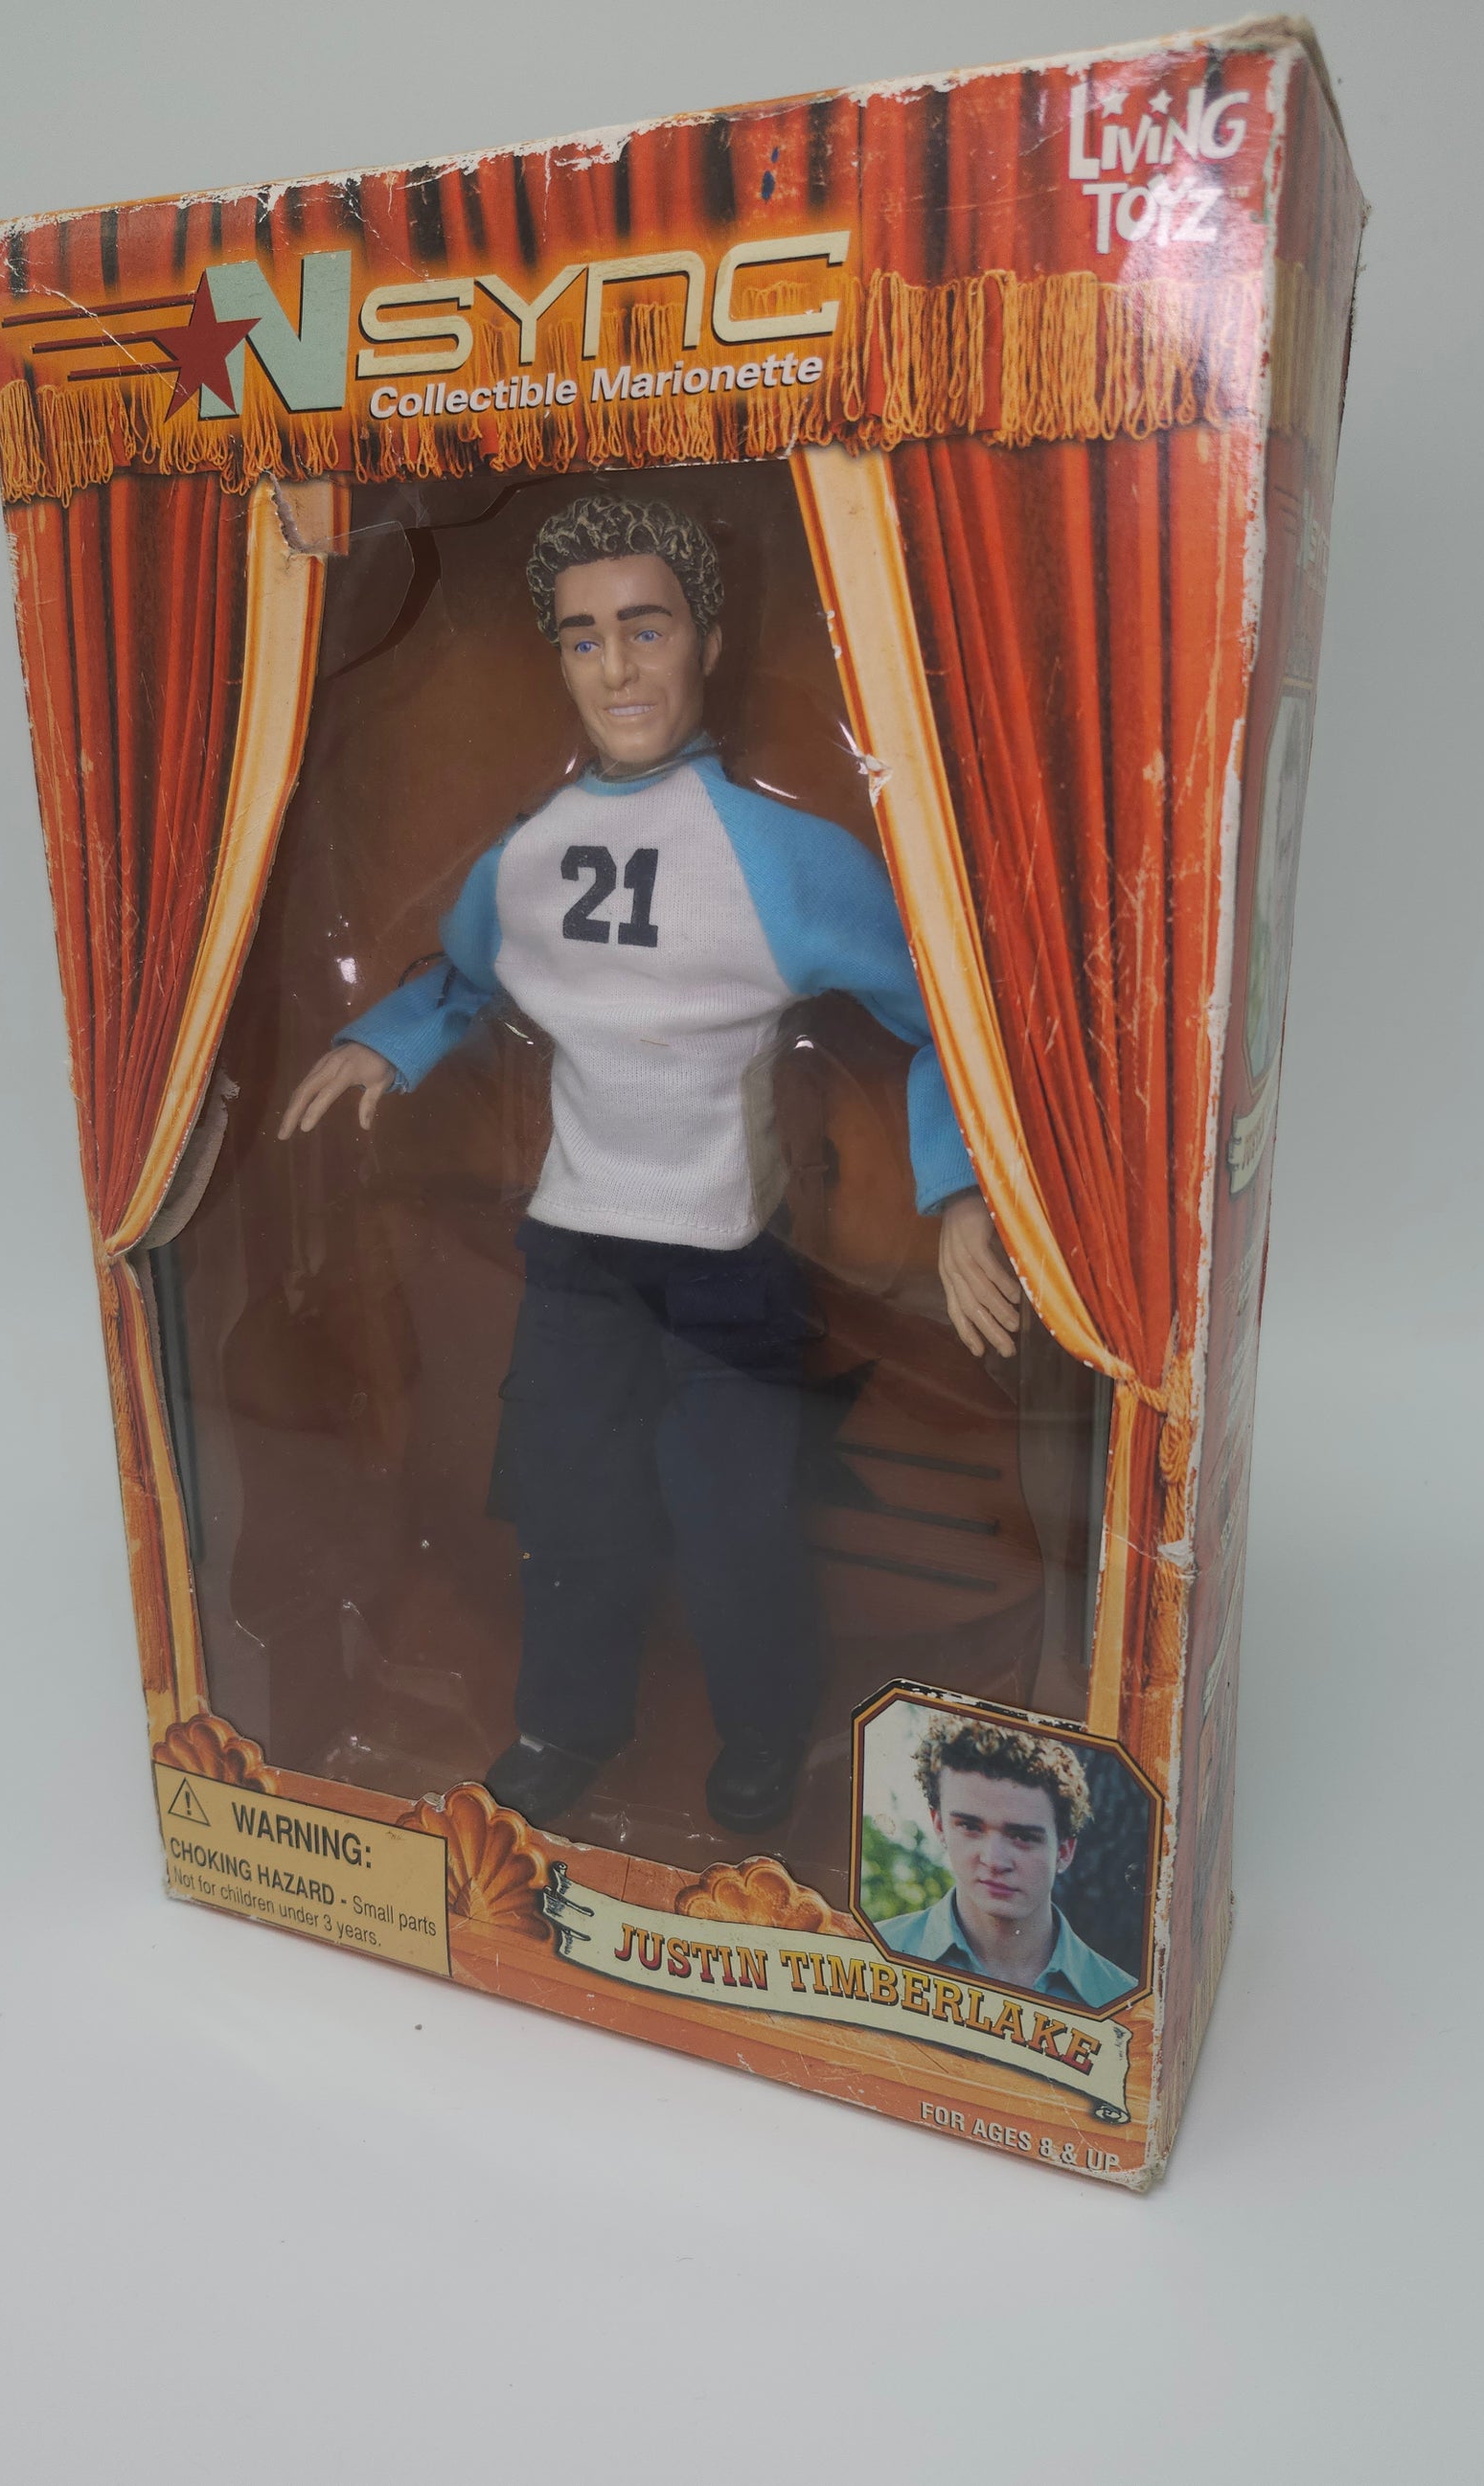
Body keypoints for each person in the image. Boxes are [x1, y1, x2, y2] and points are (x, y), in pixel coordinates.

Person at [279, 493, 1021, 1834]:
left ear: (707, 642)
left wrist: (958, 1187)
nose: (615, 669)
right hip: (576, 1253)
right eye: (581, 639)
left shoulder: (782, 860)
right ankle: (568, 1724)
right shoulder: (527, 856)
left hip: (729, 1261)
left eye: (645, 629)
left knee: (737, 1521)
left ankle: (764, 1729)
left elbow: (942, 1012)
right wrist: (388, 1040)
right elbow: (463, 971)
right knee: (569, 1509)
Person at [875, 1714, 1137, 2007]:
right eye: (969, 1827)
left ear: (1064, 1851)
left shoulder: (1125, 2003)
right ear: (939, 1826)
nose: (994, 1861)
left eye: (1022, 1836)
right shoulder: (870, 1954)